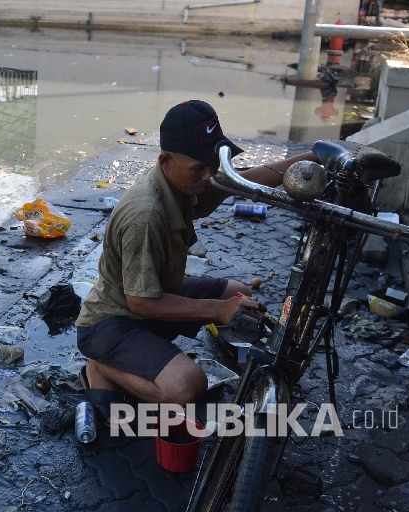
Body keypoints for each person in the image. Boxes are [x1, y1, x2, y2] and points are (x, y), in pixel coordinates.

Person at [75, 100, 319, 424]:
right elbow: (140, 303)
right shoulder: (144, 215)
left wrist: (314, 157)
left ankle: (137, 355)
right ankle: (101, 365)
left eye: (213, 164)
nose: (210, 176)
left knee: (237, 292)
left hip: (155, 296)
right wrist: (217, 311)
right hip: (112, 321)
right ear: (166, 161)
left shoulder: (185, 182)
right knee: (189, 387)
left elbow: (245, 181)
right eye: (199, 168)